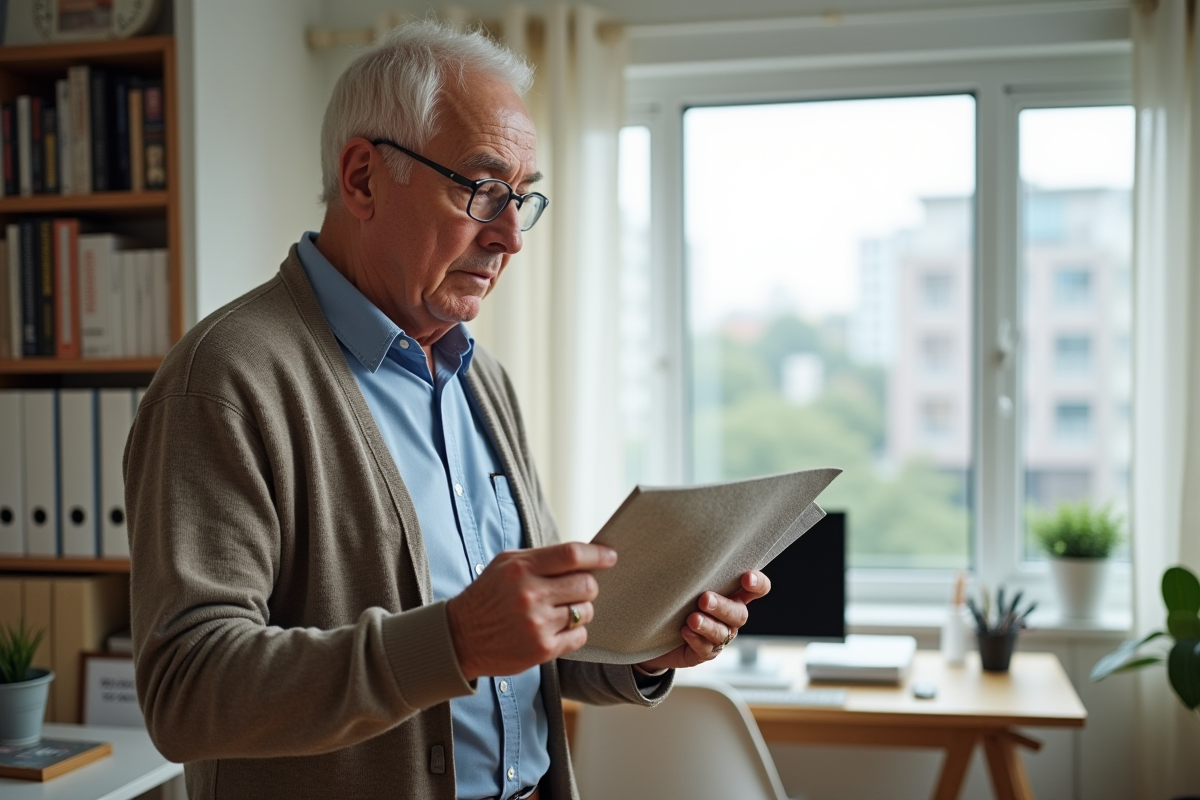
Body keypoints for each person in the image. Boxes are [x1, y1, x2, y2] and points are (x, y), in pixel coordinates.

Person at [125, 21, 770, 800]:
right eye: (482, 189)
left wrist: (646, 649)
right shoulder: (226, 379)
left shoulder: (481, 379)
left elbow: (528, 650)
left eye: (521, 199)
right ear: (363, 178)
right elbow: (187, 692)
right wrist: (455, 641)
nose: (510, 237)